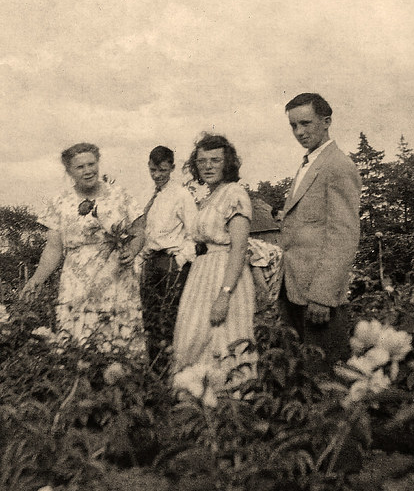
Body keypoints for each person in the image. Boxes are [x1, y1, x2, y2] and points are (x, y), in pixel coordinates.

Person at [20, 142, 147, 359]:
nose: (88, 171)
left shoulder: (120, 195)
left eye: (91, 164)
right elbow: (53, 248)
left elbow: (139, 230)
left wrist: (132, 250)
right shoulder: (59, 202)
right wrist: (36, 280)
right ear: (69, 171)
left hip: (115, 278)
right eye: (80, 167)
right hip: (76, 282)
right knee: (79, 345)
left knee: (118, 342)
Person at [278, 93, 362, 376]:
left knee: (327, 377)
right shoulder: (309, 163)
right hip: (294, 289)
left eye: (306, 123)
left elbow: (344, 235)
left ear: (326, 122)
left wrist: (323, 296)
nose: (300, 132)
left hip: (318, 296)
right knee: (300, 373)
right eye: (293, 126)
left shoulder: (337, 165)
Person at [171, 133, 257, 393]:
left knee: (224, 341)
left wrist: (225, 294)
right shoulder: (211, 195)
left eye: (215, 160)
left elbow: (239, 248)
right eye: (202, 161)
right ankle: (196, 405)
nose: (207, 166)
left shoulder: (235, 194)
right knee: (192, 341)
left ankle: (229, 409)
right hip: (202, 275)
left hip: (225, 276)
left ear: (227, 163)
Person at [134, 146, 198, 368]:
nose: (157, 175)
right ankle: (155, 370)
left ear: (172, 167)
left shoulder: (181, 195)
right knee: (149, 317)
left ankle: (175, 368)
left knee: (170, 317)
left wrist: (179, 260)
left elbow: (194, 233)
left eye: (162, 170)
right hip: (150, 262)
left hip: (171, 262)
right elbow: (144, 231)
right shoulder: (148, 194)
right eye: (153, 170)